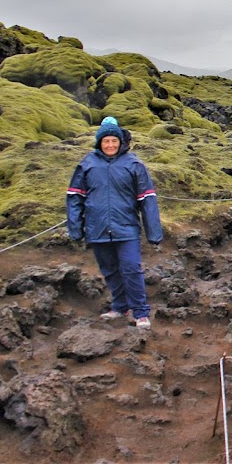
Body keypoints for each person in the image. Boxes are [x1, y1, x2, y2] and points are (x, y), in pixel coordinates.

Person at [66, 116, 163, 329]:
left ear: (120, 142)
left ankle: (140, 312)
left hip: (126, 227)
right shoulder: (87, 164)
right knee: (110, 269)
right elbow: (74, 196)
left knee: (131, 268)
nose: (110, 145)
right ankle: (120, 306)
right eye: (106, 141)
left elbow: (147, 200)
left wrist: (153, 232)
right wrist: (75, 228)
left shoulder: (134, 164)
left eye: (114, 141)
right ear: (99, 142)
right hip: (97, 228)